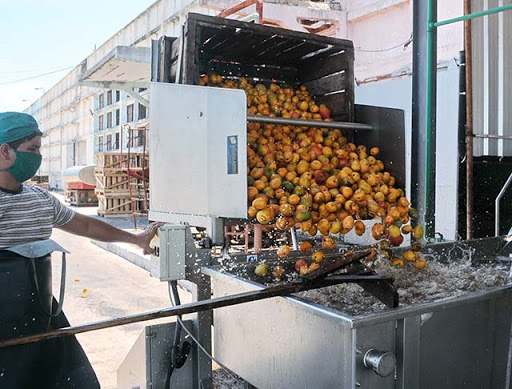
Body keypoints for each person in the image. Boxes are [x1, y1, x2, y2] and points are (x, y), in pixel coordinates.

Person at [0, 111, 161, 388]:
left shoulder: (40, 198)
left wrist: (136, 239)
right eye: (32, 149)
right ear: (5, 151)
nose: (38, 157)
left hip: (41, 313)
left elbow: (85, 226)